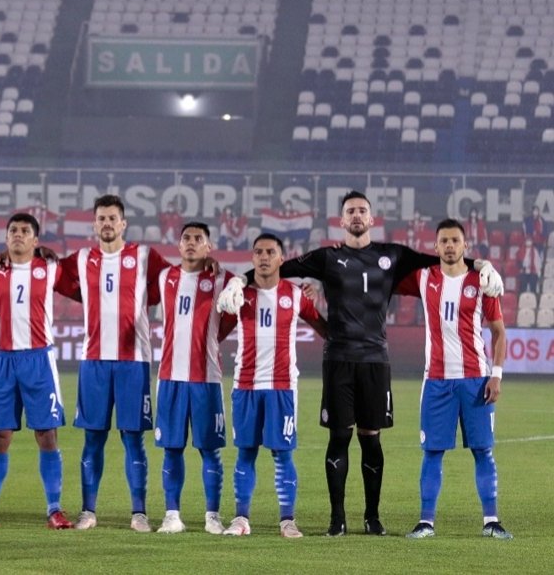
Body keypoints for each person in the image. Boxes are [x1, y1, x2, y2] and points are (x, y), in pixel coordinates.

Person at [216, 190, 504, 537]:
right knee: (338, 438)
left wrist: (481, 265)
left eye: (361, 211)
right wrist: (239, 279)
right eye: (350, 210)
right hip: (338, 359)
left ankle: (372, 517)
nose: (356, 215)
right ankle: (337, 519)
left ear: (371, 219)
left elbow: (443, 259)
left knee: (371, 439)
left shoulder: (393, 255)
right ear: (341, 220)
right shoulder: (326, 258)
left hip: (375, 361)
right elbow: (278, 266)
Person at [57, 194, 170, 532]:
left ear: (123, 224)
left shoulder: (145, 256)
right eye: (101, 218)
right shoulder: (80, 259)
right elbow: (49, 274)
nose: (107, 224)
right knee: (93, 438)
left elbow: (175, 282)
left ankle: (139, 513)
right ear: (94, 224)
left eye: (112, 218)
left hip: (133, 361)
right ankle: (88, 512)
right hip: (94, 361)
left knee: (133, 438)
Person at [396, 219, 512, 540]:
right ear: (435, 247)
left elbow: (499, 333)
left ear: (465, 244)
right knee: (432, 452)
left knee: (483, 451)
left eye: (455, 240)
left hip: (476, 380)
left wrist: (496, 375)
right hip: (436, 381)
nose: (449, 246)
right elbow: (389, 270)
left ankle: (491, 520)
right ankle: (426, 522)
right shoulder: (423, 277)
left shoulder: (483, 281)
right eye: (443, 241)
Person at [0, 213, 73, 530]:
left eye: (25, 231)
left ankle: (55, 510)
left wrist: (57, 255)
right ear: (6, 238)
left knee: (47, 435)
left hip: (39, 360)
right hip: (4, 360)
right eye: (13, 231)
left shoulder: (50, 269)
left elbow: (83, 285)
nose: (18, 235)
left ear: (36, 240)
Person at [219, 234, 325, 539]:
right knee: (245, 453)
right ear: (252, 260)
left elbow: (323, 326)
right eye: (258, 252)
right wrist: (225, 307)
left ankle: (287, 520)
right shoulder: (240, 297)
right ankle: (241, 519)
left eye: (270, 252)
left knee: (282, 454)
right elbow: (217, 335)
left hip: (281, 387)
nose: (264, 257)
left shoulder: (295, 294)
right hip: (246, 386)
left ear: (282, 258)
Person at [152, 222, 236, 535]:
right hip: (170, 376)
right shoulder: (165, 277)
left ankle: (212, 517)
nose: (190, 242)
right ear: (178, 244)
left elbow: (239, 299)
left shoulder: (222, 279)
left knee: (209, 450)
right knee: (171, 449)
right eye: (186, 237)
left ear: (208, 246)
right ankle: (172, 515)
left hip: (207, 378)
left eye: (198, 238)